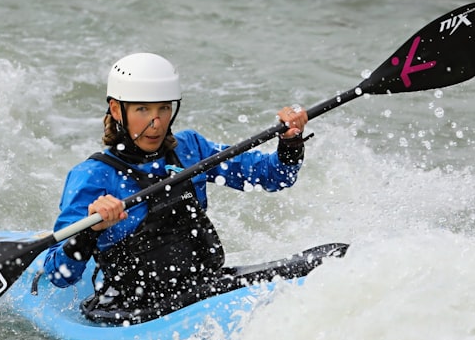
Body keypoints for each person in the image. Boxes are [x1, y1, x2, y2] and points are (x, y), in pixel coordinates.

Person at [42, 52, 310, 325]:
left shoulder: (190, 148)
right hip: (132, 308)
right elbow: (59, 274)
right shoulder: (93, 176)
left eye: (164, 108)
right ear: (116, 109)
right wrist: (91, 230)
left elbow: (275, 177)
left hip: (202, 285)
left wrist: (290, 143)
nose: (156, 123)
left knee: (320, 260)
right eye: (142, 109)